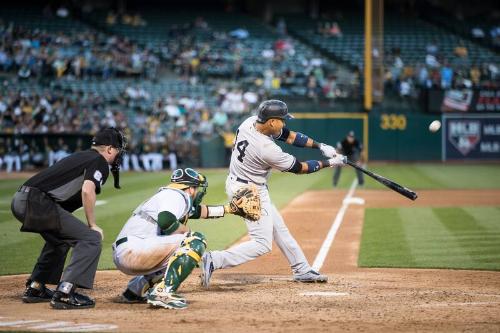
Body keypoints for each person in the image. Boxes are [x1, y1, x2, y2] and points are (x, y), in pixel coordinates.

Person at [200, 99, 346, 288]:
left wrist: (319, 146)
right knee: (262, 243)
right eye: (282, 119)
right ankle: (214, 259)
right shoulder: (267, 149)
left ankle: (301, 269)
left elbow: (289, 136)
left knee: (279, 229)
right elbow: (300, 168)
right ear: (271, 122)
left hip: (244, 184)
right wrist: (331, 163)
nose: (284, 123)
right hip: (247, 191)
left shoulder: (250, 122)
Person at [10, 127, 126, 310]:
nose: (119, 155)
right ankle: (65, 292)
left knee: (60, 241)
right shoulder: (100, 161)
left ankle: (36, 287)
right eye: (118, 150)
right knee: (91, 238)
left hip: (22, 199)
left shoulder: (81, 156)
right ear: (110, 149)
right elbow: (88, 190)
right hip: (36, 202)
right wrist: (92, 224)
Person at [113, 167, 249, 309]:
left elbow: (197, 212)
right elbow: (166, 220)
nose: (197, 192)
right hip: (133, 251)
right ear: (190, 189)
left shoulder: (171, 196)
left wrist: (229, 209)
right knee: (195, 240)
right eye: (196, 188)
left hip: (131, 251)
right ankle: (163, 293)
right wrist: (188, 233)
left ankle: (134, 291)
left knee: (177, 257)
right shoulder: (175, 195)